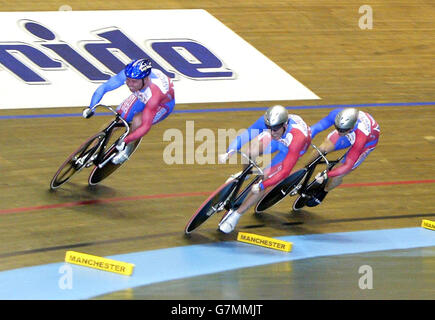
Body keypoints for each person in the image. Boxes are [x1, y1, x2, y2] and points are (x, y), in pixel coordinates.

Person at [217, 105, 311, 233]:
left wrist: (262, 185)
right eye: (269, 128)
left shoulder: (297, 137)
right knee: (249, 151)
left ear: (284, 124)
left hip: (291, 147)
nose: (272, 132)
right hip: (280, 140)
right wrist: (229, 152)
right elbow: (245, 135)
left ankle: (236, 215)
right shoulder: (269, 124)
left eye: (275, 129)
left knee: (265, 178)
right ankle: (247, 173)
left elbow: (285, 171)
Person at [82, 58, 175, 164]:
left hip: (162, 105)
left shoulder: (155, 93)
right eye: (128, 80)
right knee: (117, 120)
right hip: (142, 95)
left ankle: (128, 149)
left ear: (145, 79)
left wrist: (126, 141)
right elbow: (105, 87)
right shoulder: (131, 74)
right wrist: (91, 107)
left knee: (137, 121)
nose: (129, 84)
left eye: (134, 81)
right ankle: (90, 152)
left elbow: (145, 126)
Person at [300, 107, 380, 208]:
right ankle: (302, 172)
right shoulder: (336, 115)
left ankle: (323, 192)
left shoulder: (362, 137)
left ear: (351, 127)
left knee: (337, 174)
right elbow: (316, 128)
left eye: (342, 130)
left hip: (366, 143)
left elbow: (347, 165)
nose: (339, 132)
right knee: (320, 149)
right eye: (337, 128)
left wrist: (327, 175)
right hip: (351, 132)